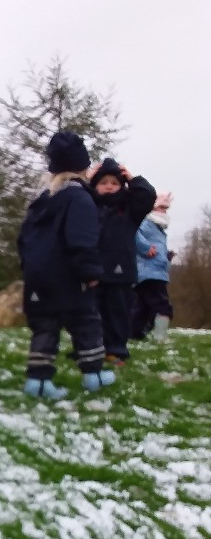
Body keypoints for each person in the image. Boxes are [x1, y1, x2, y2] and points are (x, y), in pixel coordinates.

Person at [17, 130, 116, 399]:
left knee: (45, 327)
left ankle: (37, 380)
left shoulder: (41, 200)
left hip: (38, 276)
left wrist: (30, 269)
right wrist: (90, 272)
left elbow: (23, 239)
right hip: (69, 277)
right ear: (83, 167)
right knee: (86, 322)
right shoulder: (80, 198)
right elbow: (81, 239)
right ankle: (93, 374)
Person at [89, 158, 156, 366]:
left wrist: (133, 178)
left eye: (115, 182)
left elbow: (148, 196)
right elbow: (73, 192)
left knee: (118, 313)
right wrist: (87, 178)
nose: (109, 186)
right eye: (103, 182)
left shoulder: (129, 209)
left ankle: (116, 350)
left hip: (121, 271)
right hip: (92, 271)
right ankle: (90, 348)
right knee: (91, 314)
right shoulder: (88, 204)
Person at [132, 192, 174, 343]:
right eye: (161, 207)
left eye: (166, 208)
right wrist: (145, 248)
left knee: (142, 307)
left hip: (155, 272)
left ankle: (135, 333)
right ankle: (160, 336)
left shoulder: (159, 229)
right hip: (149, 273)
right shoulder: (146, 222)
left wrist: (167, 258)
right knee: (162, 305)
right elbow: (134, 233)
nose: (164, 211)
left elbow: (159, 253)